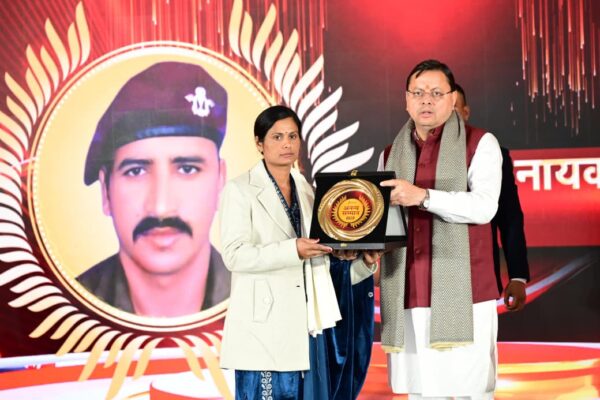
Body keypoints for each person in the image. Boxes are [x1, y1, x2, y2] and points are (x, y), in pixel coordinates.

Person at [218, 105, 380, 399]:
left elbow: (320, 261)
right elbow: (234, 255)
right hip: (265, 326)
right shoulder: (239, 189)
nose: (287, 144)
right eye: (277, 137)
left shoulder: (306, 189)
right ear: (259, 143)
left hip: (308, 326)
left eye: (292, 136)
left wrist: (357, 265)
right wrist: (293, 250)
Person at [378, 59, 502, 399]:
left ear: (452, 99)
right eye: (418, 93)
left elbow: (484, 207)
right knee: (420, 391)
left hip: (467, 292)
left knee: (472, 390)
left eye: (436, 93)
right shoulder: (390, 154)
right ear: (406, 99)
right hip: (408, 290)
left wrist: (423, 197)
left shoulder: (480, 143)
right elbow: (386, 222)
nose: (426, 101)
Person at [78, 62, 230, 318]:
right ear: (105, 192)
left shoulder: (272, 306)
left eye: (188, 169)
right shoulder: (60, 311)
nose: (161, 207)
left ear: (220, 182)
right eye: (136, 171)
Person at [454, 83, 529, 311]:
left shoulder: (491, 152)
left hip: (480, 276)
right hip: (424, 280)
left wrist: (517, 275)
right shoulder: (412, 155)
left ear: (466, 112)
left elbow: (509, 217)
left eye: (454, 109)